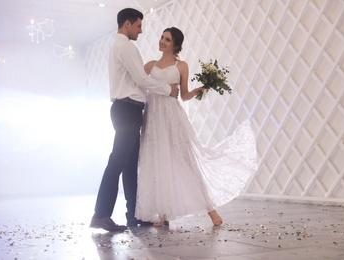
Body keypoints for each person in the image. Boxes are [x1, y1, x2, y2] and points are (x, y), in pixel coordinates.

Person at [135, 27, 258, 227]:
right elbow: (139, 84)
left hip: (171, 116)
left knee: (186, 161)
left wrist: (197, 91)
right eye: (161, 37)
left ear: (175, 45)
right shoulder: (150, 65)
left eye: (167, 39)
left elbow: (183, 96)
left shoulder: (181, 65)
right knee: (157, 161)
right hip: (153, 118)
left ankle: (211, 210)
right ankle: (163, 213)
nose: (162, 41)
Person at [90, 8, 179, 232]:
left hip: (128, 110)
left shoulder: (118, 46)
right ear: (127, 24)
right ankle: (101, 215)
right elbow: (141, 78)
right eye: (139, 26)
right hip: (126, 110)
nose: (141, 31)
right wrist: (168, 90)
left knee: (130, 165)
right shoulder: (126, 46)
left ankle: (133, 215)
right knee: (117, 163)